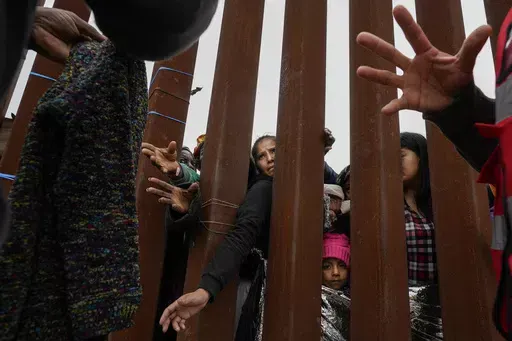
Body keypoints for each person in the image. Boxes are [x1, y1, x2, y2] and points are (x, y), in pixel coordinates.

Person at [355, 4, 495, 335]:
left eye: (402, 152)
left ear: (420, 155)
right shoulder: (379, 206)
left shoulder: (442, 206)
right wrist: (459, 108)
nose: (394, 160)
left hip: (448, 315)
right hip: (394, 315)